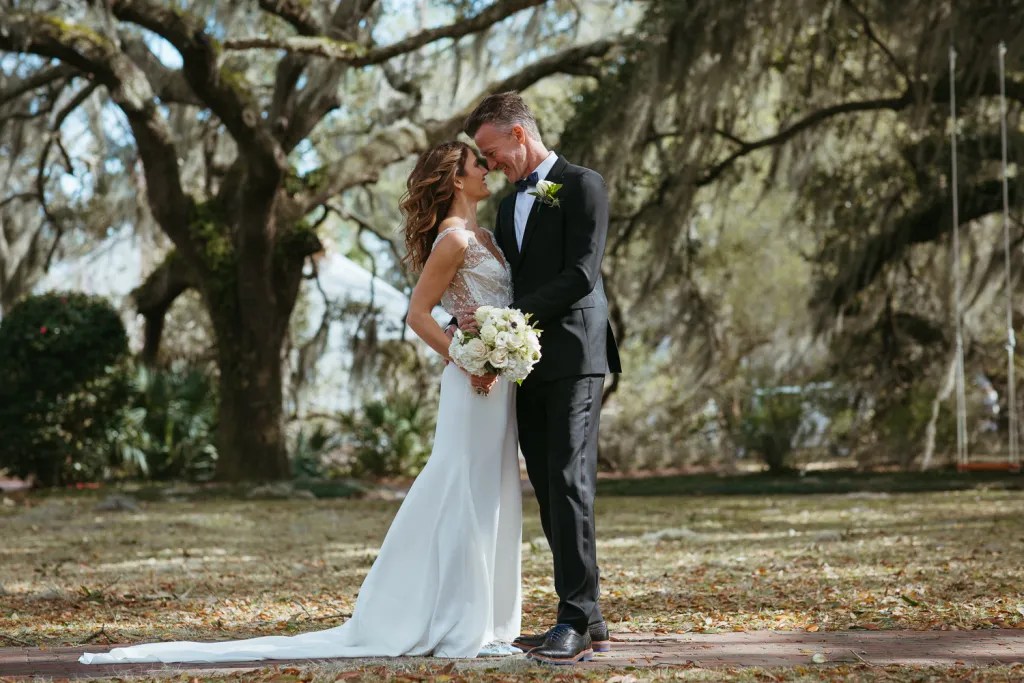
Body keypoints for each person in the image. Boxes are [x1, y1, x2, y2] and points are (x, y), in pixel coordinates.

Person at [79, 141, 525, 664]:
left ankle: (490, 620)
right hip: (471, 384)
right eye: (478, 164)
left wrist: (502, 350)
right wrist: (466, 358)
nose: (487, 169)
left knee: (493, 491)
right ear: (455, 179)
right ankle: (458, 621)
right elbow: (418, 314)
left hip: (500, 382)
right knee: (460, 489)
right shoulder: (452, 240)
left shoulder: (486, 237)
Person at [462, 91, 621, 665]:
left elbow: (581, 273)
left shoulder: (583, 185)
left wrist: (510, 318)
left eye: (490, 151)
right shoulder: (509, 207)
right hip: (524, 364)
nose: (488, 163)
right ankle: (589, 618)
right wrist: (487, 332)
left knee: (570, 482)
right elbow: (509, 281)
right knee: (550, 490)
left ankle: (573, 619)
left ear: (518, 134)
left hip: (576, 356)